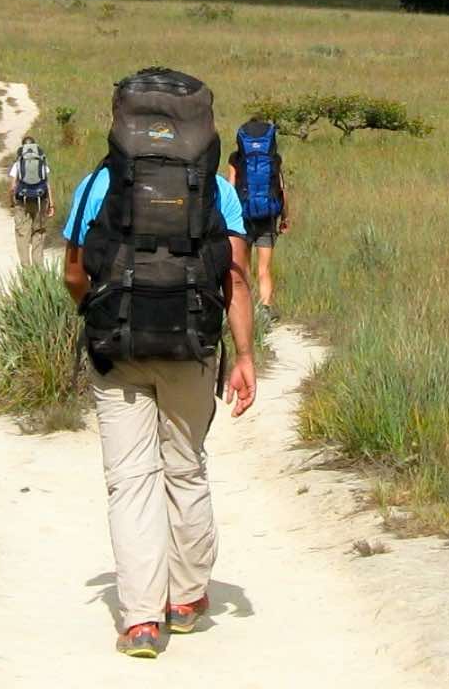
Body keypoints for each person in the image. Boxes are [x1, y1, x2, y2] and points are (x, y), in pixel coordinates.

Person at [59, 69, 257, 659]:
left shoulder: (98, 182)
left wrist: (95, 311)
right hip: (193, 346)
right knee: (186, 466)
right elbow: (236, 279)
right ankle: (188, 597)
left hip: (116, 348)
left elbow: (73, 271)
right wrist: (244, 356)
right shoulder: (215, 190)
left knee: (130, 482)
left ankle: (142, 619)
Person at [224, 117, 289, 311]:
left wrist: (226, 218)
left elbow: (230, 186)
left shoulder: (235, 159)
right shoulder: (274, 159)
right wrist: (285, 217)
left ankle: (248, 308)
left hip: (242, 218)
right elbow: (282, 189)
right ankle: (266, 309)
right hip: (268, 217)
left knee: (243, 268)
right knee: (264, 269)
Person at [9, 134, 54, 241]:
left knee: (22, 235)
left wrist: (12, 203)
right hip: (40, 200)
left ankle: (25, 258)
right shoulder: (42, 163)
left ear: (22, 147)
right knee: (38, 233)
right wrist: (51, 205)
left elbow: (12, 188)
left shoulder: (18, 164)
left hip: (22, 202)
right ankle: (37, 258)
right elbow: (47, 185)